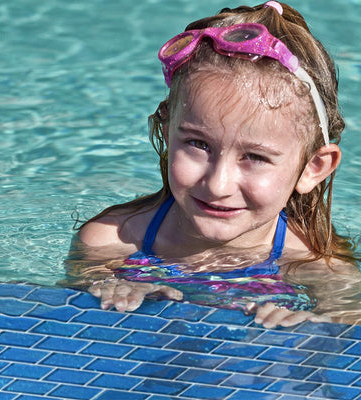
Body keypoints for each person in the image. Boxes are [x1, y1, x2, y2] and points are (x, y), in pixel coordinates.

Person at [70, 1, 360, 328]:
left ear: (313, 168)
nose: (218, 184)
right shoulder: (110, 243)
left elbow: (347, 333)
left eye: (255, 157)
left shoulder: (315, 267)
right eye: (197, 143)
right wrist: (106, 291)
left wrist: (314, 327)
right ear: (167, 132)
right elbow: (67, 317)